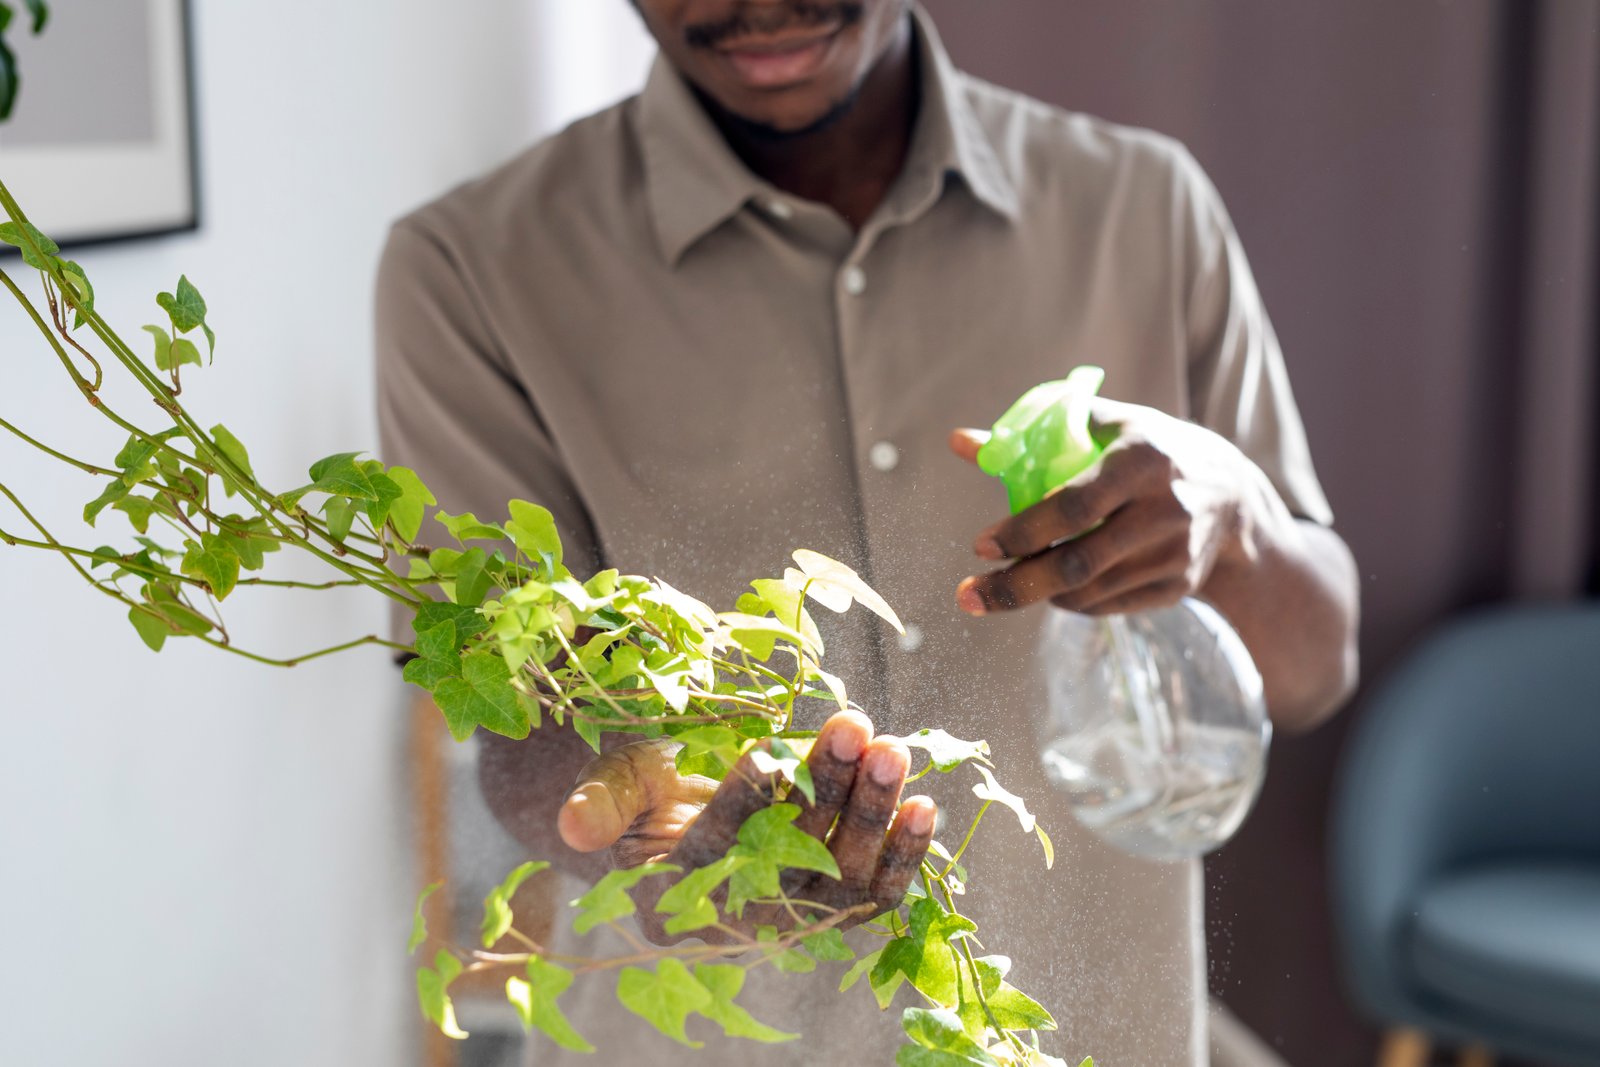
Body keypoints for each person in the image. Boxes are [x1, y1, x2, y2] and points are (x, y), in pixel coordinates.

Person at [375, 2, 1360, 1063]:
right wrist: (660, 832)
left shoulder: (1142, 210)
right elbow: (517, 735)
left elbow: (1314, 667)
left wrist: (1238, 526)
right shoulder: (470, 268)